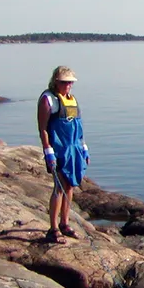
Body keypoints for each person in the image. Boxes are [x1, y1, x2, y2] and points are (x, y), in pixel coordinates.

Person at [37, 66, 90, 243]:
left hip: (74, 148)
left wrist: (84, 148)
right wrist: (48, 152)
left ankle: (64, 224)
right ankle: (53, 229)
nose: (67, 85)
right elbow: (43, 129)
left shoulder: (72, 100)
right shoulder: (48, 100)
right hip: (58, 149)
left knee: (70, 186)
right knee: (59, 187)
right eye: (64, 82)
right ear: (56, 81)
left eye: (70, 82)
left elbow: (78, 127)